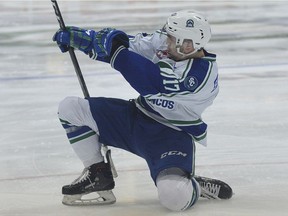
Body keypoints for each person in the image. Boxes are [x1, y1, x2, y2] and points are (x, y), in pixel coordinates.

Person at [53, 10, 230, 211]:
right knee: (70, 108)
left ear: (187, 45)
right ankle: (98, 173)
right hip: (136, 117)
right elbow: (131, 45)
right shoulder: (170, 46)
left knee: (174, 197)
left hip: (170, 136)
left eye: (172, 39)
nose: (166, 41)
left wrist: (115, 51)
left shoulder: (200, 76)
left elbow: (152, 81)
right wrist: (85, 40)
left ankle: (191, 184)